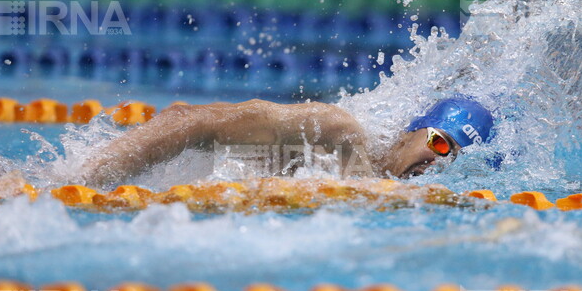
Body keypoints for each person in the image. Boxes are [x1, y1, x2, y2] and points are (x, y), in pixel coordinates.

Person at [80, 96, 495, 187]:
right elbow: (194, 121)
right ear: (412, 131)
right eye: (440, 145)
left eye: (454, 159)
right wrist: (82, 180)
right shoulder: (335, 135)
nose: (438, 162)